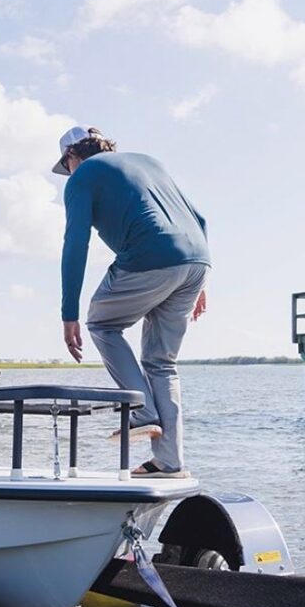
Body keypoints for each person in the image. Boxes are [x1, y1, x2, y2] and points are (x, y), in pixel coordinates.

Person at [53, 126, 210, 478]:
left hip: (149, 256)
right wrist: (198, 281)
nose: (68, 174)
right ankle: (169, 463)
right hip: (197, 261)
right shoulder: (148, 162)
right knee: (162, 363)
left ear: (71, 157)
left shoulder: (82, 177)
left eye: (67, 167)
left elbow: (75, 244)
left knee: (103, 323)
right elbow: (199, 218)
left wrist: (69, 313)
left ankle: (141, 412)